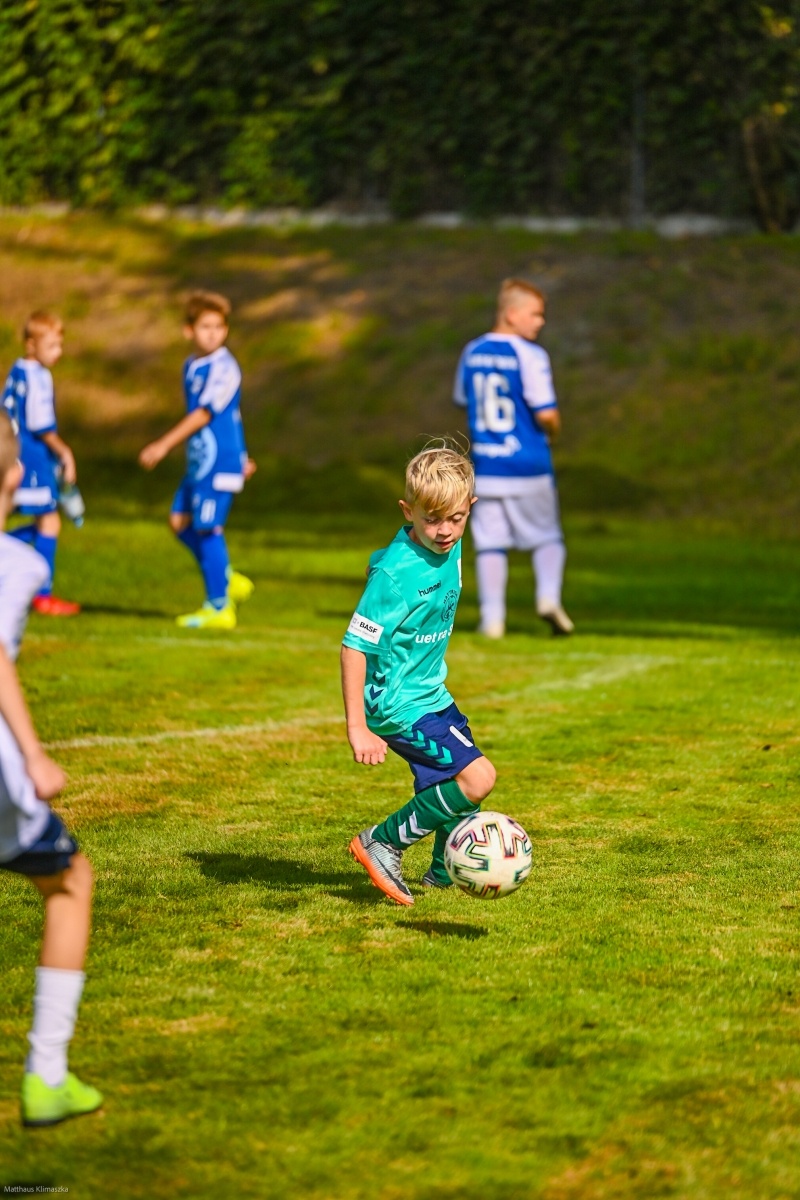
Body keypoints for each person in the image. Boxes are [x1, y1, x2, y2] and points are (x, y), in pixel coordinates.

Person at [0, 412, 101, 1127]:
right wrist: (33, 752)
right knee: (70, 883)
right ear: (13, 479)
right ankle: (46, 1075)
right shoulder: (19, 565)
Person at [343, 443, 497, 905]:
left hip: (430, 693)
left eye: (455, 518)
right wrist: (358, 728)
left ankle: (442, 874)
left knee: (448, 783)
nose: (445, 531)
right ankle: (383, 841)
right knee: (477, 778)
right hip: (396, 703)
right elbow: (353, 646)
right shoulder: (396, 575)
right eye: (431, 520)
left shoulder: (449, 539)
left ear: (469, 508)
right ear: (408, 511)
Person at [453, 277, 573, 638]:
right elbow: (546, 412)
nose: (540, 322)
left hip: (487, 466)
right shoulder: (530, 355)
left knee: (490, 542)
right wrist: (553, 433)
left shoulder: (472, 350)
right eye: (535, 314)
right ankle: (548, 597)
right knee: (547, 537)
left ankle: (492, 619)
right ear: (512, 313)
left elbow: (463, 399)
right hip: (529, 464)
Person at [138, 290, 256, 629]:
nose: (213, 333)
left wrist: (163, 445)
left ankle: (219, 607)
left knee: (207, 528)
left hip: (218, 460)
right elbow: (233, 415)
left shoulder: (224, 367)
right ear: (188, 330)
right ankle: (225, 576)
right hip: (200, 460)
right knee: (179, 522)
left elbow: (207, 414)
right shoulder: (192, 365)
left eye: (219, 326)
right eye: (205, 326)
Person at [2, 311, 81, 616]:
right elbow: (40, 423)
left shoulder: (16, 369)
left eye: (60, 346)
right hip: (32, 456)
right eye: (52, 347)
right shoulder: (38, 376)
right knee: (49, 521)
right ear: (31, 345)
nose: (57, 353)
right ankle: (42, 595)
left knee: (35, 520)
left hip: (10, 452)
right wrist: (64, 452)